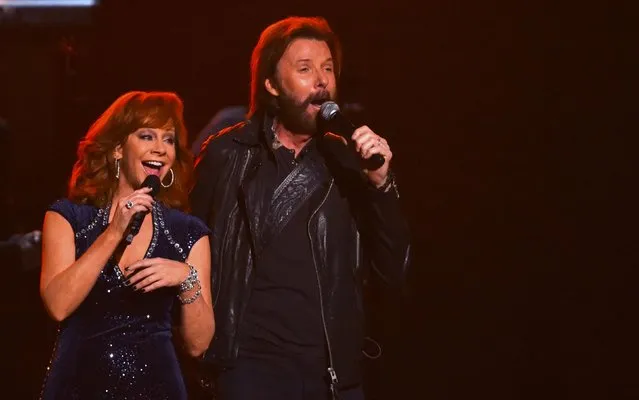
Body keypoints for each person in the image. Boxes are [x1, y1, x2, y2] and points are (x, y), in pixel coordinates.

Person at [190, 16, 411, 400]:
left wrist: (381, 186)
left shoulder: (349, 163)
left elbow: (394, 271)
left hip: (331, 374)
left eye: (327, 69)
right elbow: (189, 246)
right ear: (272, 83)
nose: (322, 81)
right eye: (305, 69)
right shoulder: (228, 154)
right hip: (249, 368)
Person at [39, 91, 215, 399]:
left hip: (157, 388)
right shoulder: (68, 218)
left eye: (169, 139)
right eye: (147, 136)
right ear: (118, 149)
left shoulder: (187, 232)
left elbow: (199, 345)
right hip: (77, 386)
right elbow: (58, 305)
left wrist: (186, 279)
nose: (160, 149)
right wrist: (113, 232)